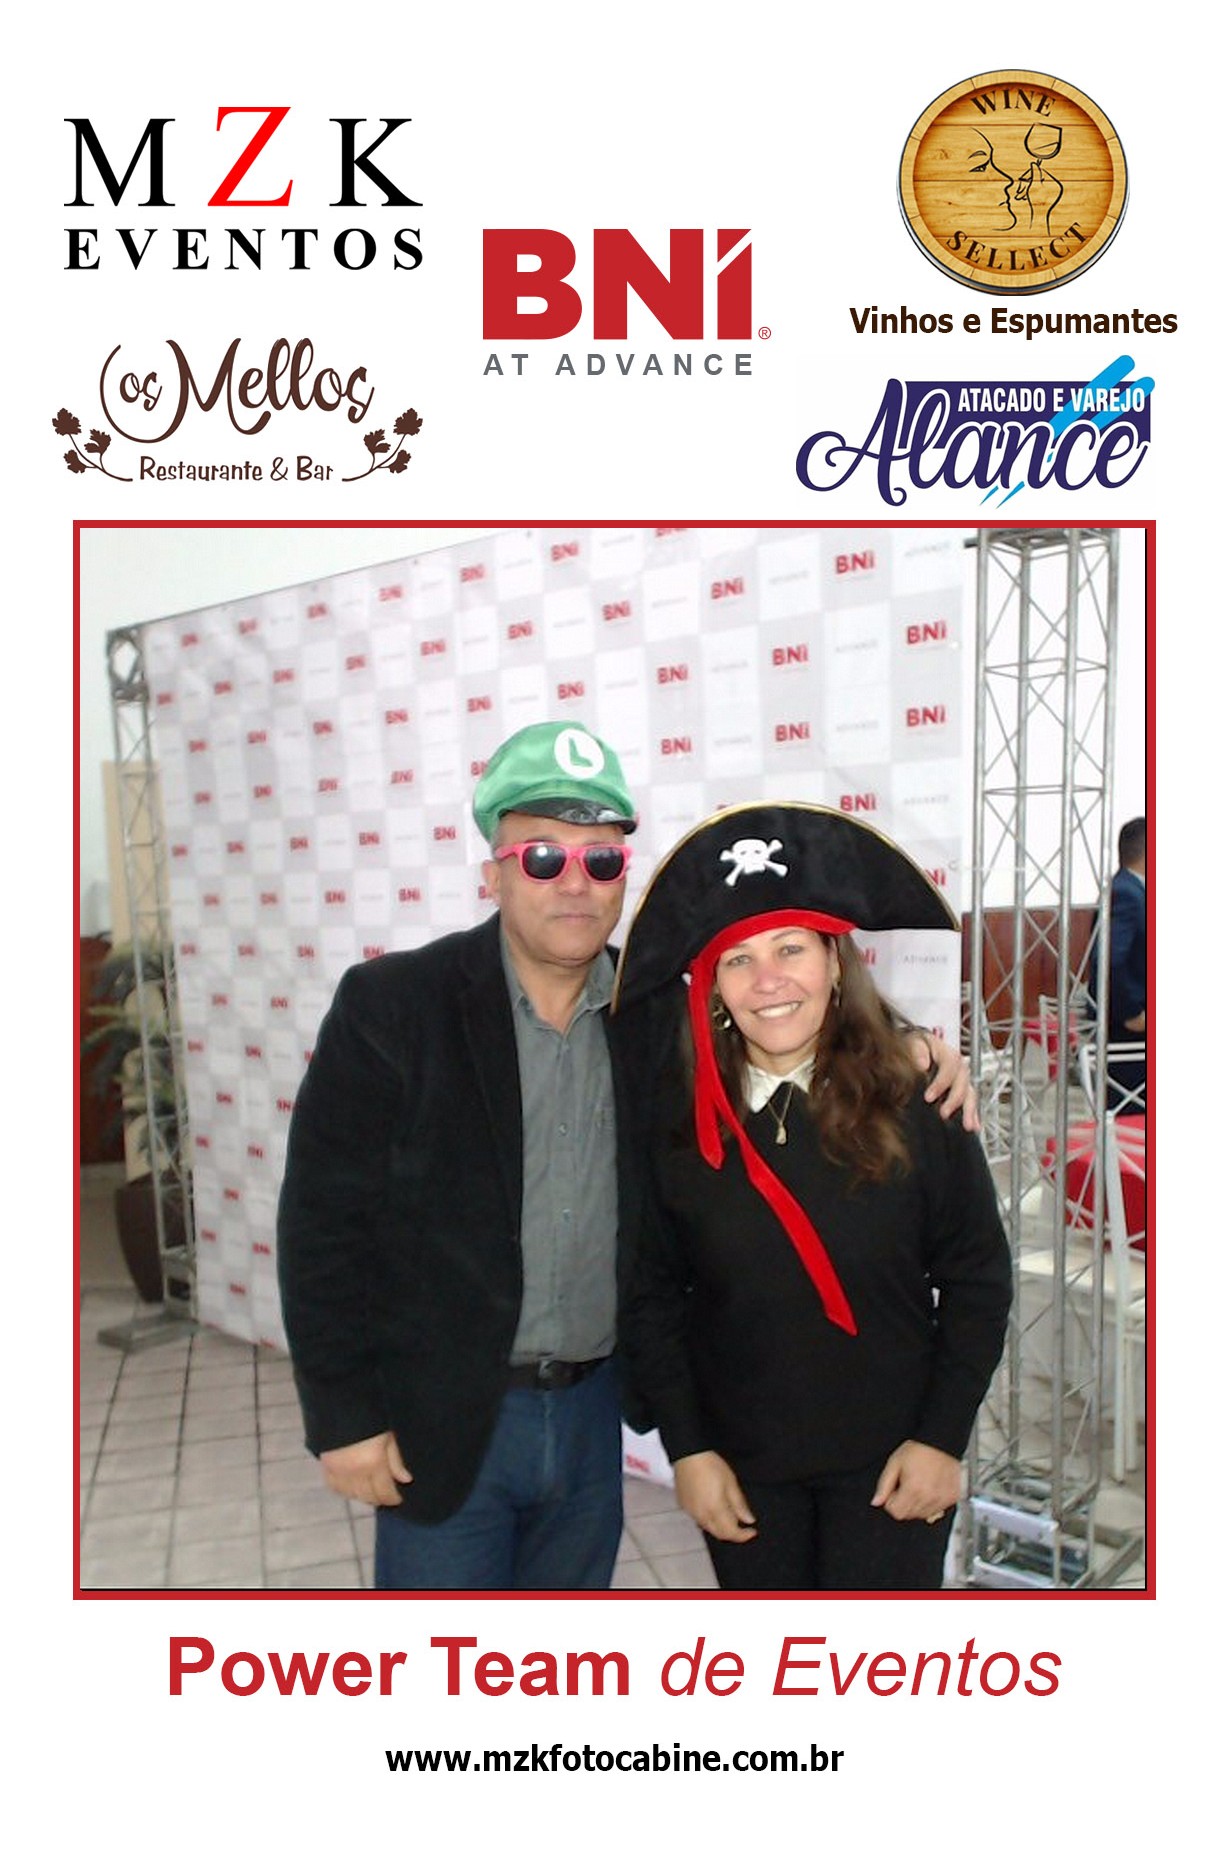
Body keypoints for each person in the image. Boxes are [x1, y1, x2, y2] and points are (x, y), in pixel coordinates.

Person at [278, 727, 978, 1591]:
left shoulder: (657, 1015)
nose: (576, 882)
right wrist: (345, 1416)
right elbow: (322, 1225)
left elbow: (789, 1032)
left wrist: (913, 1049)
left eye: (602, 860)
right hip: (445, 1418)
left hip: (590, 1414)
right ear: (492, 874)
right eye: (543, 858)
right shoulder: (394, 1006)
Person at [615, 802, 1012, 1592]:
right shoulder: (674, 1119)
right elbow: (652, 1294)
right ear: (712, 988)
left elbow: (978, 1279)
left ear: (836, 963)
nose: (768, 981)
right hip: (743, 1469)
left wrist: (942, 1439)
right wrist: (688, 1449)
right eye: (738, 959)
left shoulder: (918, 1098)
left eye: (790, 948)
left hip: (895, 1464)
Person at [1089, 815, 1147, 1109]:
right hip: (1128, 1029)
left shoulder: (1130, 889)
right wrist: (1131, 1013)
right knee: (1131, 1113)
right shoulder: (1127, 892)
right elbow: (1109, 959)